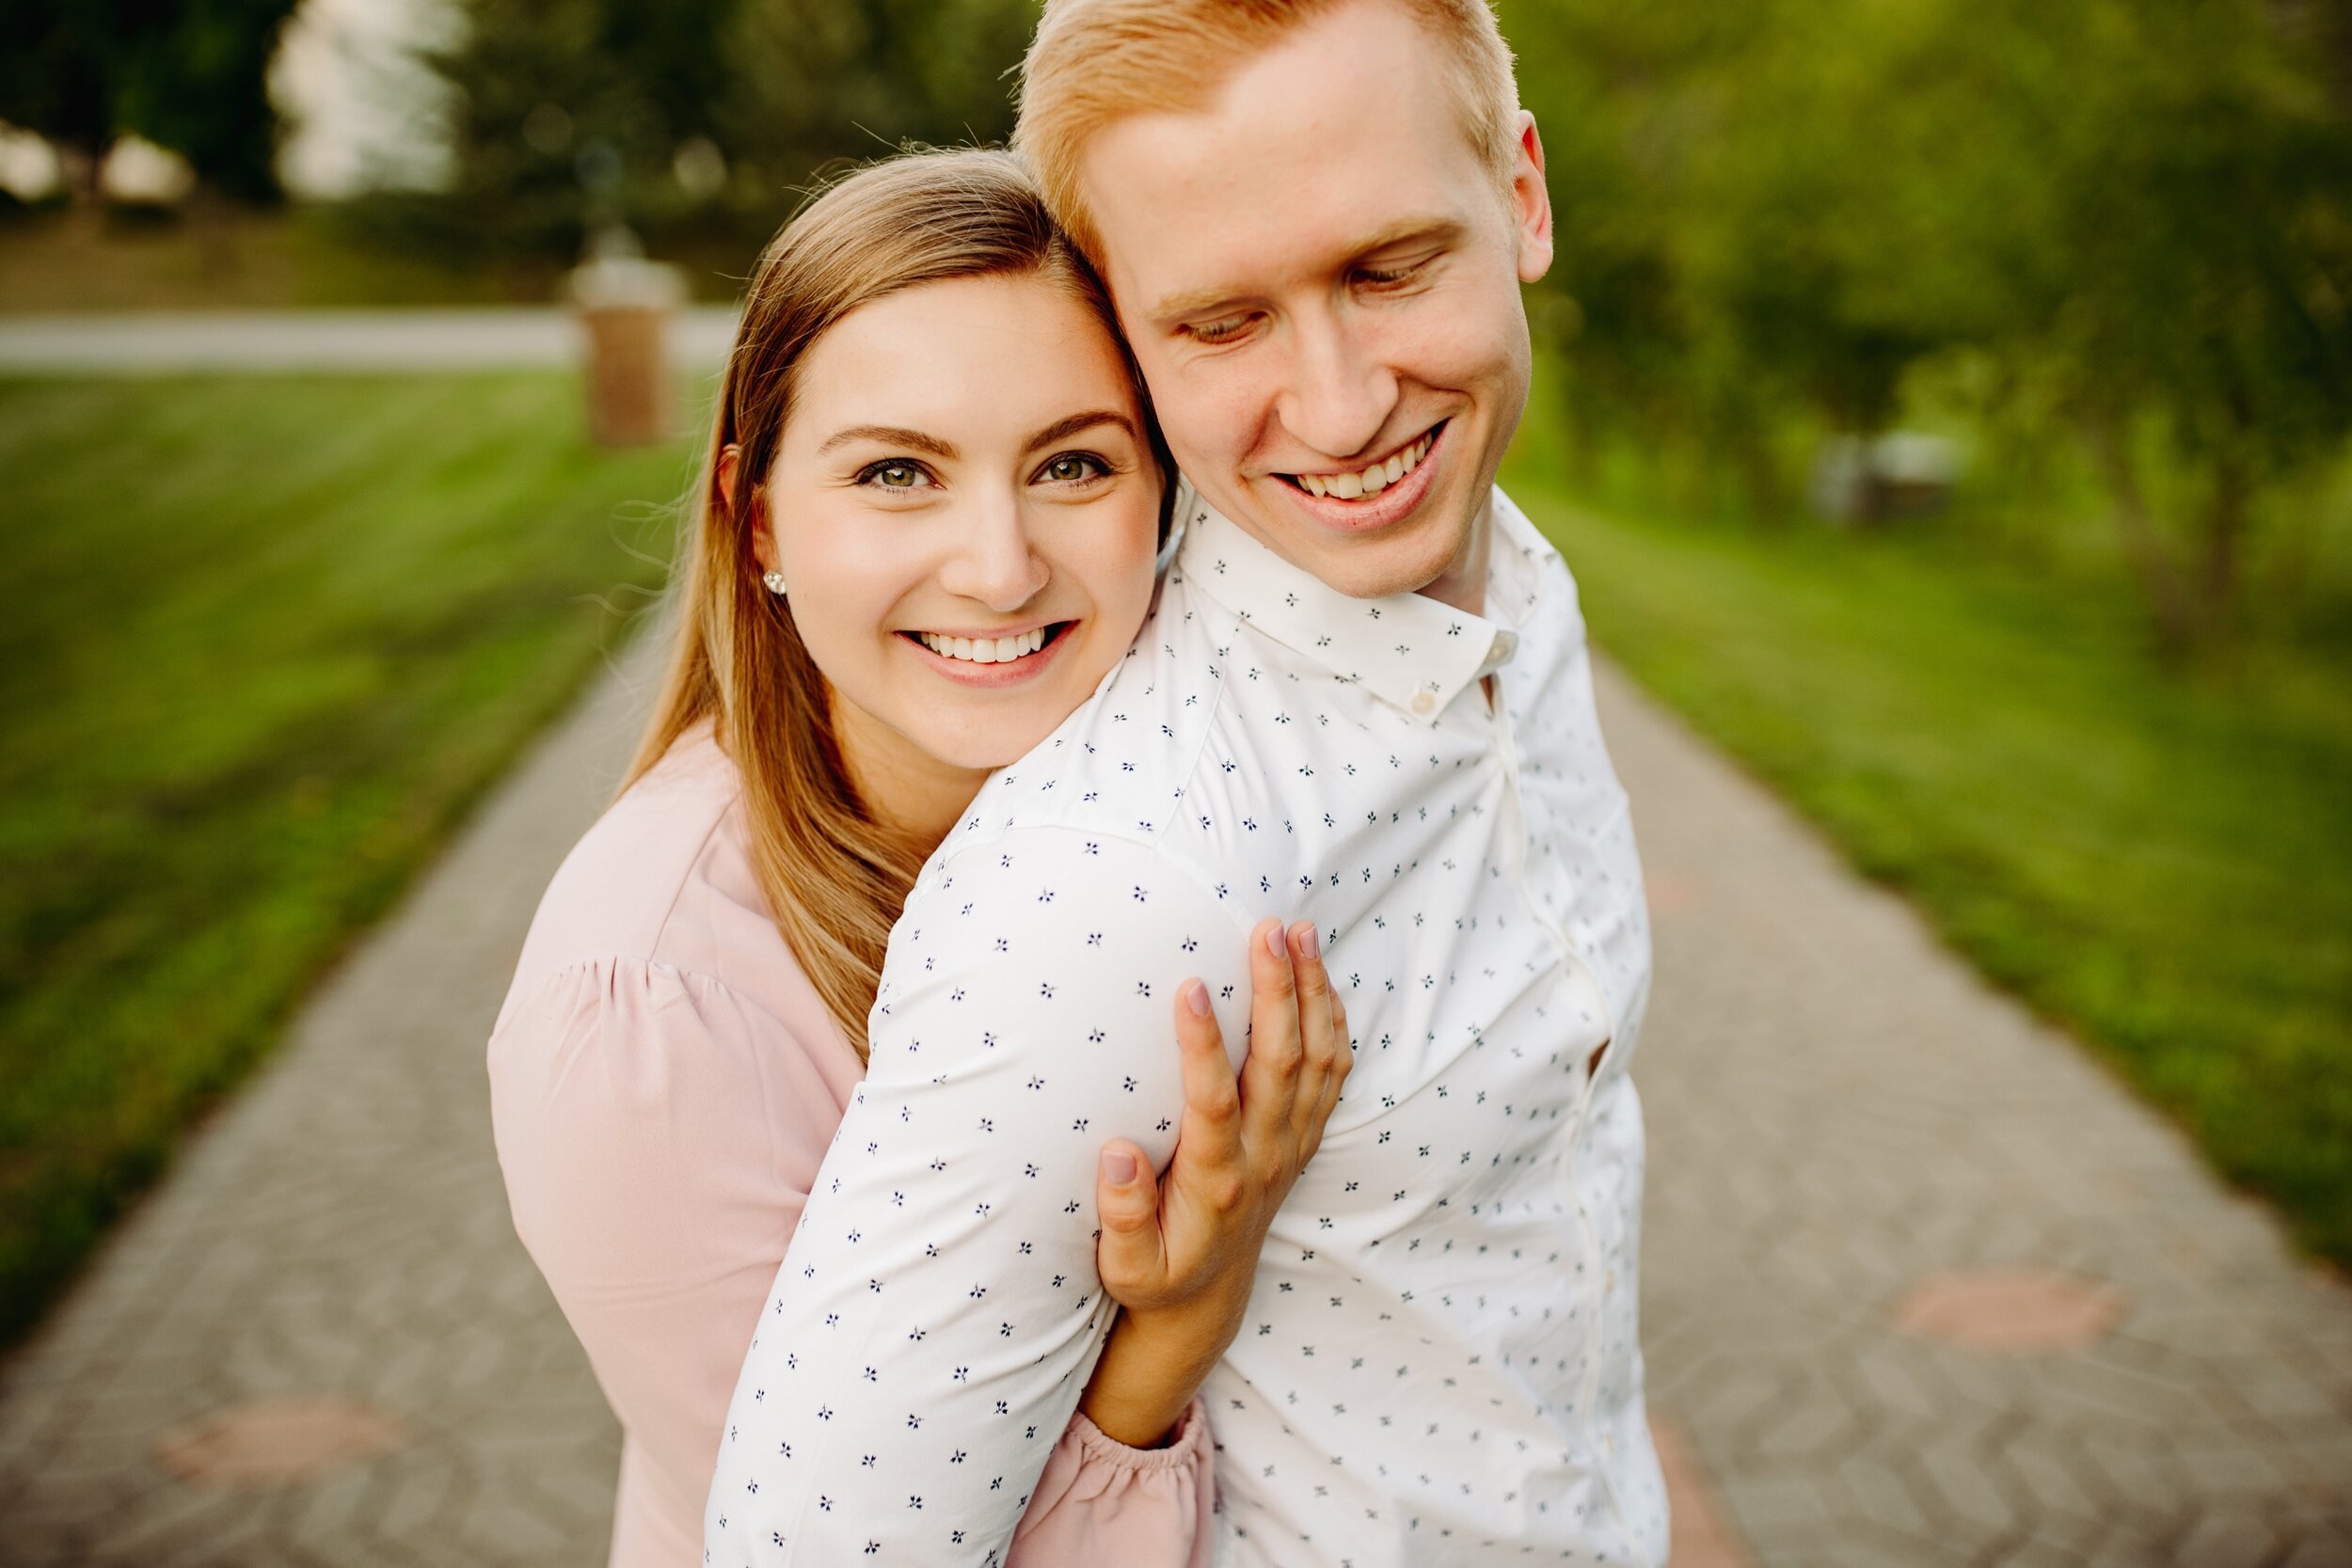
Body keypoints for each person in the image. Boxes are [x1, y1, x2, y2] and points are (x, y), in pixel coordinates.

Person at [707, 2, 1667, 1565]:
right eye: (1222, 323)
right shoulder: (1108, 881)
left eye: (1388, 267)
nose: (1347, 408)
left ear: (1523, 197)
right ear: (1128, 340)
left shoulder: (1520, 598)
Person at [487, 150, 1352, 1568]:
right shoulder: (645, 1020)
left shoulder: (1196, 817)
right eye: (899, 473)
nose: (999, 566)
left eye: (1072, 463)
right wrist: (1181, 1326)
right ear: (756, 516)